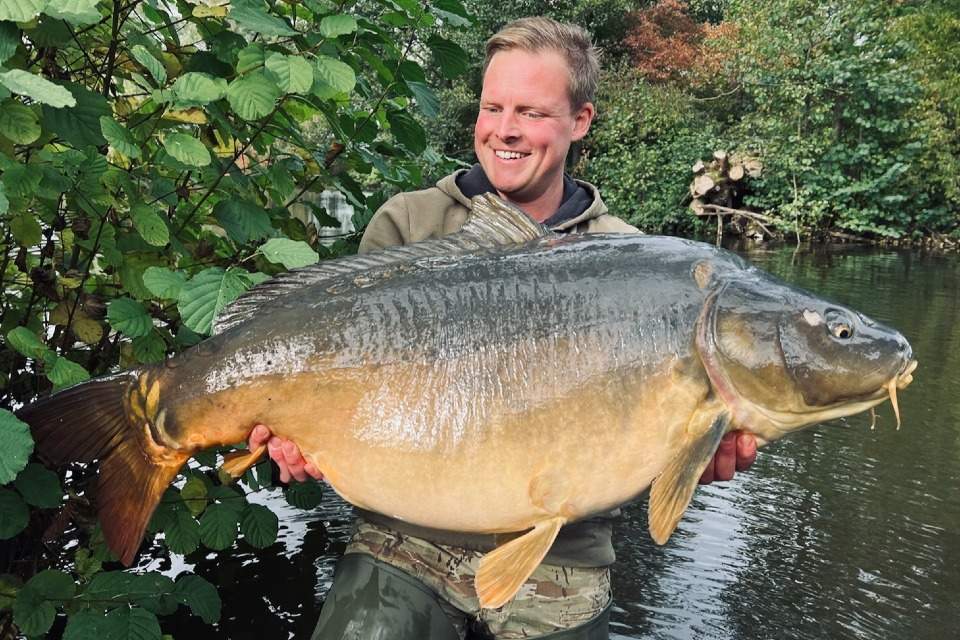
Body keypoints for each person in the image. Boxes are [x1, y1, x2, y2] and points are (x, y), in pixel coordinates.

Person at [248, 17, 758, 639]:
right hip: (402, 537)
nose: (505, 130)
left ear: (581, 120)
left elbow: (658, 444)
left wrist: (696, 446)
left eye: (532, 112)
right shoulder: (409, 223)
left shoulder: (632, 260)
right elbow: (342, 385)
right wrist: (295, 447)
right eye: (493, 107)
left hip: (562, 555)